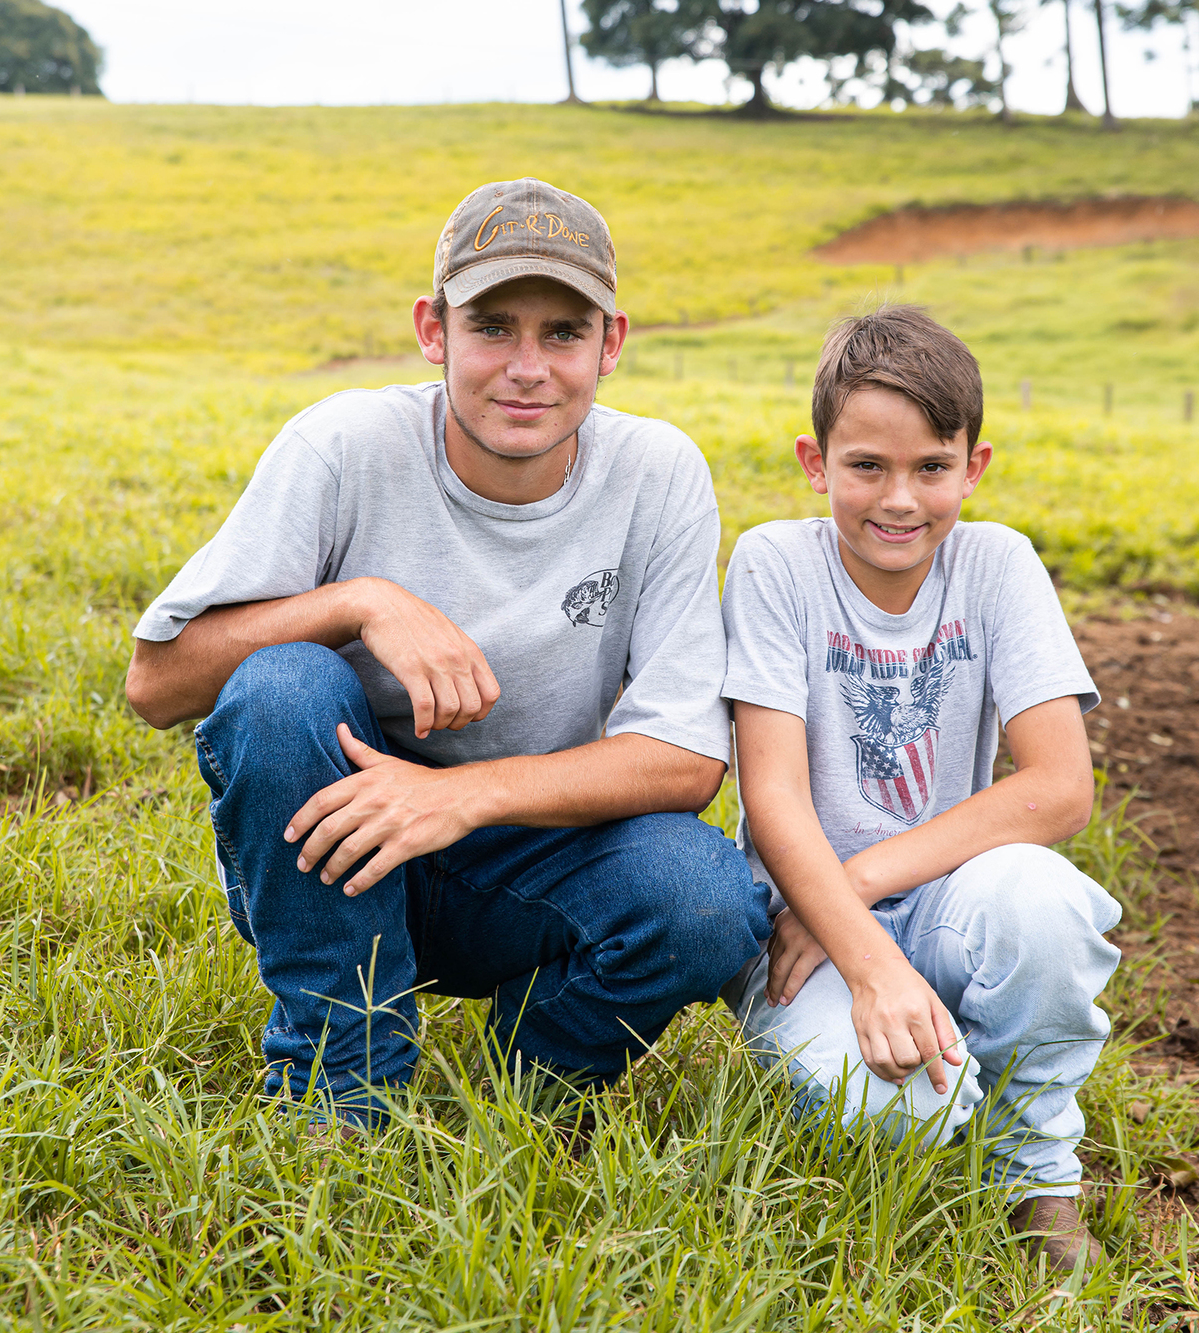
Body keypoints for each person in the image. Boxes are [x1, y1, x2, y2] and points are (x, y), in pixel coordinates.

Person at [126, 177, 770, 1129]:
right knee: (281, 686)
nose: (527, 366)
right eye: (494, 326)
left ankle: (526, 1090)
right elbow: (157, 684)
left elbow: (685, 758)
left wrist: (455, 797)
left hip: (531, 855)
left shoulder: (657, 474)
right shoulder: (344, 445)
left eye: (563, 333)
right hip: (337, 849)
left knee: (707, 897)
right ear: (434, 331)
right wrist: (357, 602)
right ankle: (343, 1089)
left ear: (612, 344)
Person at [720, 305, 1120, 1277]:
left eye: (931, 469)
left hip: (931, 899)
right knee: (900, 1116)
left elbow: (1062, 787)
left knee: (1048, 904)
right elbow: (772, 800)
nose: (900, 500)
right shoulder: (777, 565)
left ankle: (1037, 1176)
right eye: (867, 467)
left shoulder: (997, 566)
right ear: (816, 464)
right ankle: (931, 1068)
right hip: (794, 931)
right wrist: (861, 956)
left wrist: (858, 888)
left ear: (971, 467)